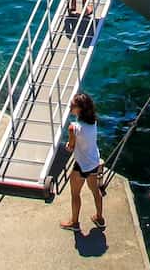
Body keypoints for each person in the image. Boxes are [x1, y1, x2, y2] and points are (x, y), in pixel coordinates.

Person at [59, 92, 105, 232]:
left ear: (80, 109)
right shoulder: (93, 121)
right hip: (94, 162)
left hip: (81, 165)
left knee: (75, 194)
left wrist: (68, 145)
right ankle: (99, 218)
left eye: (73, 105)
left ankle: (74, 223)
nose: (70, 107)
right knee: (95, 191)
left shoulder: (73, 127)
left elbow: (70, 147)